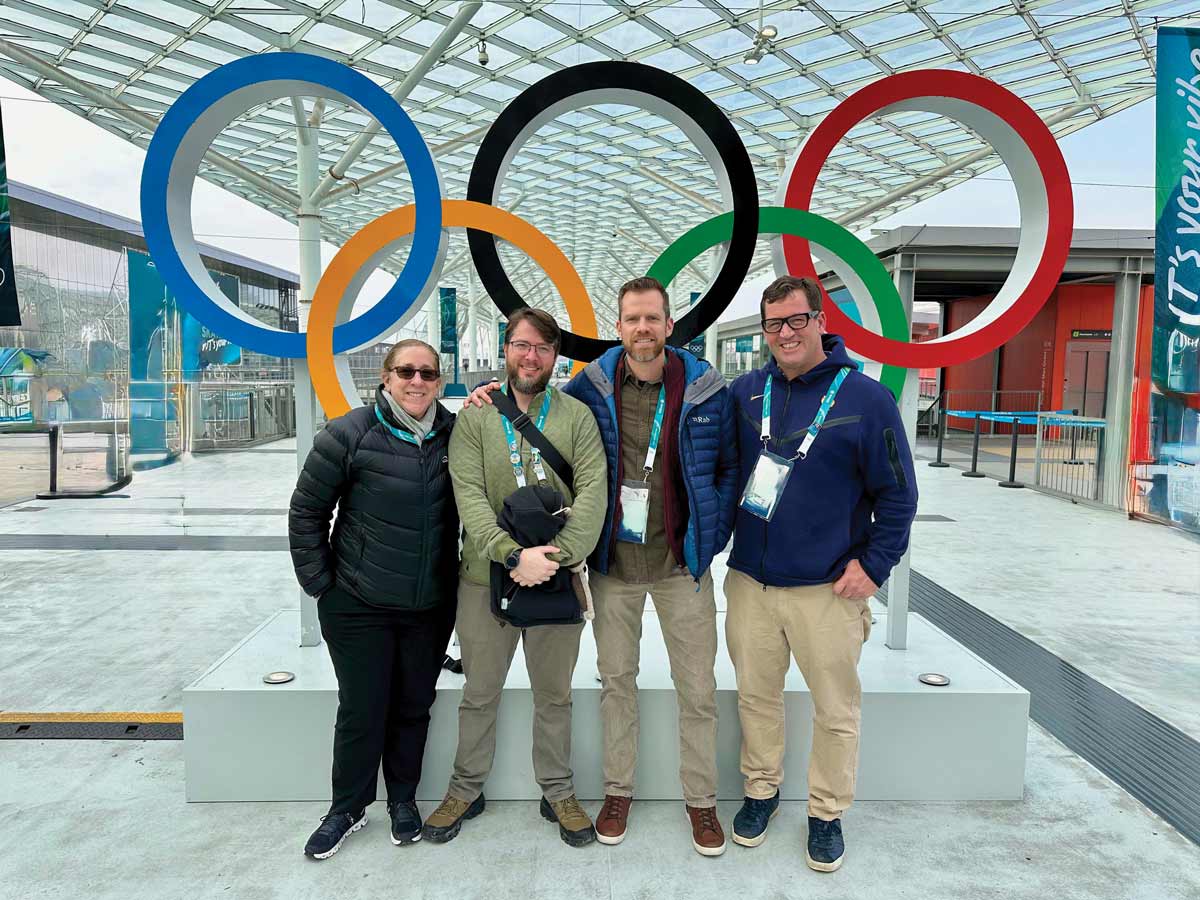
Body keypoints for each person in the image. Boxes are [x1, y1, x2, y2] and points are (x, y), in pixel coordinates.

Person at [466, 276, 738, 856]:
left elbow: (728, 468)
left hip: (680, 565)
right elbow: (537, 403)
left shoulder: (706, 389)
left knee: (698, 689)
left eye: (652, 319)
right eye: (632, 319)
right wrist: (483, 394)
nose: (643, 329)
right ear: (619, 327)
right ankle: (618, 793)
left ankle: (702, 802)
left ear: (670, 325)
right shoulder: (590, 388)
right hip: (615, 566)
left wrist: (709, 536)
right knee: (617, 684)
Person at [725, 275, 917, 871]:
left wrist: (875, 565)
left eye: (796, 320)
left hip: (827, 590)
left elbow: (900, 495)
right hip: (751, 584)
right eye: (774, 323)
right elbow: (724, 469)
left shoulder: (864, 398)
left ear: (820, 322)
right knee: (757, 698)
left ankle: (827, 812)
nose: (785, 333)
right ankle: (761, 791)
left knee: (836, 708)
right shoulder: (745, 393)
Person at [422, 307, 608, 848]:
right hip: (485, 579)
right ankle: (464, 788)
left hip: (556, 577)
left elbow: (594, 488)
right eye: (523, 346)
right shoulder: (476, 417)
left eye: (543, 349)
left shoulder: (574, 416)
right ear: (507, 349)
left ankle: (558, 790)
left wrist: (557, 556)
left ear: (555, 357)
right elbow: (470, 497)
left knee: (555, 694)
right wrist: (510, 555)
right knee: (480, 692)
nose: (532, 357)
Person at [289, 339, 458, 860]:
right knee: (363, 708)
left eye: (427, 373)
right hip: (358, 602)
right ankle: (347, 807)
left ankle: (402, 801)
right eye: (406, 371)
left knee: (413, 706)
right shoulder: (350, 433)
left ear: (440, 381)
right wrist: (322, 584)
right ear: (386, 378)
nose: (417, 381)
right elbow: (306, 512)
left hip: (427, 604)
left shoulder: (458, 435)